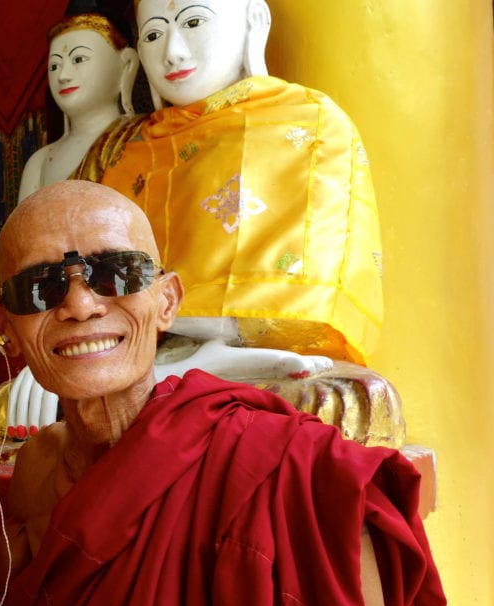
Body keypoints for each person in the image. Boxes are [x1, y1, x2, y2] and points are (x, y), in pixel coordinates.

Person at [0, 180, 447, 606]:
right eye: (40, 287)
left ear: (167, 300)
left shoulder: (288, 468)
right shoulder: (38, 470)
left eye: (117, 273)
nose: (80, 305)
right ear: (5, 328)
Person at [78, 0, 382, 370]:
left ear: (254, 21)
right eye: (154, 34)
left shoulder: (310, 124)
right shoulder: (124, 148)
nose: (172, 53)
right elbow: (74, 278)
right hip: (128, 354)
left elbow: (310, 313)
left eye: (193, 22)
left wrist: (152, 325)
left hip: (255, 364)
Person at [17, 0, 138, 202]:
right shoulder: (40, 162)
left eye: (79, 59)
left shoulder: (144, 139)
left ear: (126, 65)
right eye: (54, 65)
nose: (63, 75)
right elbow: (21, 232)